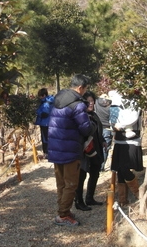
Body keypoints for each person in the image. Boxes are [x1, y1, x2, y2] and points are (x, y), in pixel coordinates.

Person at [48, 74, 94, 227]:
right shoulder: (78, 104)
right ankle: (63, 215)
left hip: (55, 147)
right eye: (85, 89)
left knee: (61, 183)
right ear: (81, 87)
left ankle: (64, 210)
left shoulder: (58, 99)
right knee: (71, 183)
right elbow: (86, 128)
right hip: (70, 149)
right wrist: (93, 125)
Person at [109, 92, 143, 206]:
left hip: (131, 140)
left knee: (125, 168)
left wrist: (121, 125)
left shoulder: (135, 101)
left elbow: (133, 118)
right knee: (120, 169)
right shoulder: (116, 101)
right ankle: (123, 199)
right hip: (119, 140)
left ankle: (138, 194)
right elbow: (112, 116)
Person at [74, 91, 106, 211]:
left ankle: (90, 198)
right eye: (88, 101)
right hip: (83, 151)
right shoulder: (80, 116)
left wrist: (102, 140)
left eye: (92, 101)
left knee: (95, 173)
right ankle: (79, 201)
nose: (91, 103)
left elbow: (98, 132)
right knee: (81, 176)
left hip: (95, 150)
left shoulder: (94, 115)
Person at [94, 93, 112, 171]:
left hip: (97, 128)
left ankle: (96, 165)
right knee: (105, 148)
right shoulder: (110, 105)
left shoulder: (96, 102)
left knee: (97, 147)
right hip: (108, 129)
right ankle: (101, 167)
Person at [34, 88, 54, 157]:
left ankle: (47, 153)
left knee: (45, 139)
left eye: (40, 96)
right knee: (47, 138)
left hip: (45, 123)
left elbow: (44, 113)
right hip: (47, 123)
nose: (39, 97)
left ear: (44, 95)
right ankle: (47, 152)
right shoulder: (47, 101)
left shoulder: (47, 103)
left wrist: (37, 111)